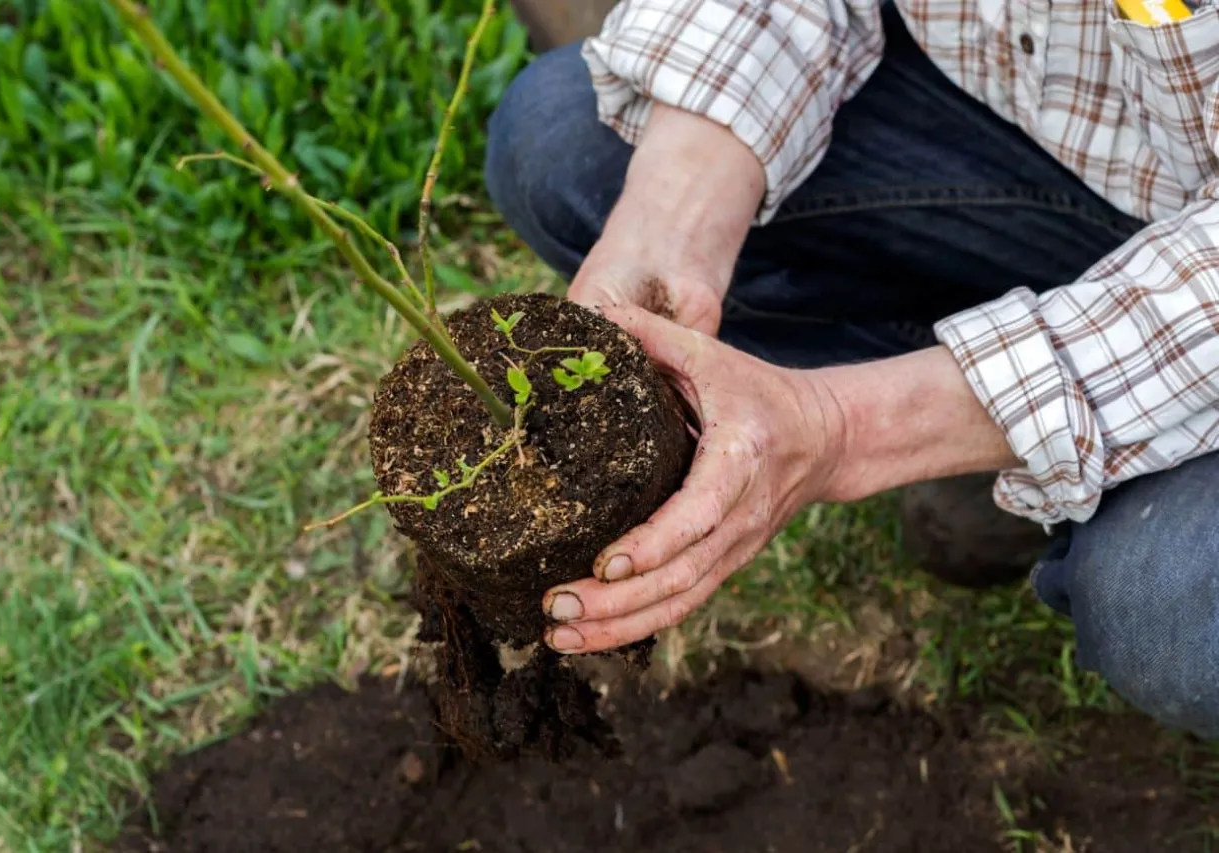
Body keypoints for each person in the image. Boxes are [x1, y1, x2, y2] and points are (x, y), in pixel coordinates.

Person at [483, 0, 1219, 739]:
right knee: (562, 148)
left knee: (1171, 609)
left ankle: (1021, 439)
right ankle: (1015, 431)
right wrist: (672, 224)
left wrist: (844, 426)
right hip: (1053, 148)